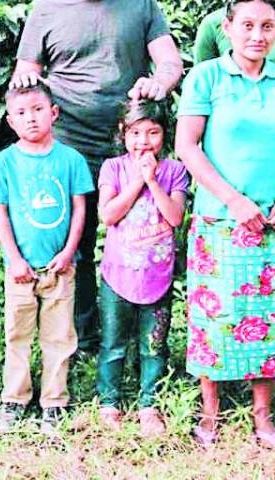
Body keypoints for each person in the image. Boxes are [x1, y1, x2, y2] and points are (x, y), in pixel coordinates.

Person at [14, 0, 182, 350]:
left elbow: (168, 60)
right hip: (70, 144)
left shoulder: (139, 0)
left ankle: (141, 334)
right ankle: (84, 335)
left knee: (145, 235)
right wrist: (27, 86)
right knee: (78, 242)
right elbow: (26, 70)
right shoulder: (46, 10)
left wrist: (159, 82)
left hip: (135, 145)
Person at [175, 0, 275, 447]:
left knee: (271, 317)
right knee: (217, 317)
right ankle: (210, 415)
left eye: (267, 27)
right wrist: (234, 200)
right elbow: (187, 147)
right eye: (248, 25)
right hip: (223, 222)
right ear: (229, 29)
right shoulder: (207, 77)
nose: (257, 35)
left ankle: (263, 416)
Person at [0, 81, 91, 436]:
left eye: (38, 110)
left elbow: (79, 210)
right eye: (21, 113)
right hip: (21, 271)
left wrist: (68, 251)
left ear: (54, 113)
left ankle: (54, 402)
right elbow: (0, 213)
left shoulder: (71, 159)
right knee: (18, 334)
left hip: (60, 268)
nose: (31, 118)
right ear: (10, 121)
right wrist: (13, 259)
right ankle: (14, 398)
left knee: (59, 336)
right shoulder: (5, 162)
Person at [94, 100, 189, 436]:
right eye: (135, 133)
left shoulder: (174, 171)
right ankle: (109, 400)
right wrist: (137, 180)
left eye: (153, 132)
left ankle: (150, 403)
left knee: (154, 344)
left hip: (158, 277)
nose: (144, 141)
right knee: (113, 343)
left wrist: (152, 182)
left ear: (165, 135)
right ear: (124, 133)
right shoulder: (113, 168)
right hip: (117, 276)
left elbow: (175, 217)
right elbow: (108, 215)